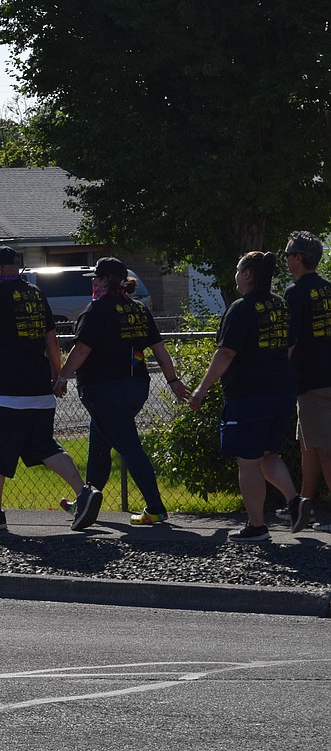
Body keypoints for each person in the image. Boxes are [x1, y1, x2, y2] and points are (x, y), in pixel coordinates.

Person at [0, 246, 97, 532]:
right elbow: (51, 339)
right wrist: (57, 377)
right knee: (44, 446)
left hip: (7, 392)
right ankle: (84, 493)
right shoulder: (36, 294)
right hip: (39, 389)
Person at [55, 257, 191, 529]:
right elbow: (160, 350)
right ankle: (84, 500)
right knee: (100, 445)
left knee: (130, 448)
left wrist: (61, 377)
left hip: (104, 391)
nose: (94, 282)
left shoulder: (95, 312)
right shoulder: (139, 310)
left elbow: (81, 350)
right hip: (136, 388)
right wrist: (173, 380)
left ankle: (155, 508)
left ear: (105, 281)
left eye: (96, 278)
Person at [189, 251, 303, 542]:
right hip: (282, 390)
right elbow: (289, 346)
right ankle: (295, 501)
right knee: (266, 454)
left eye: (239, 272)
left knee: (248, 461)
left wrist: (201, 390)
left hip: (250, 394)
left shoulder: (241, 308)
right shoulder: (280, 305)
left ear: (248, 274)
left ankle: (256, 527)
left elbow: (226, 352)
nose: (236, 278)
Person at [283, 231, 331, 531]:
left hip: (312, 382)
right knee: (309, 446)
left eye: (288, 255)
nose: (286, 260)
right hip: (325, 377)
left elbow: (290, 341)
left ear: (298, 258)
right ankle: (303, 506)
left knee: (324, 448)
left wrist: (278, 376)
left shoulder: (295, 293)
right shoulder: (329, 289)